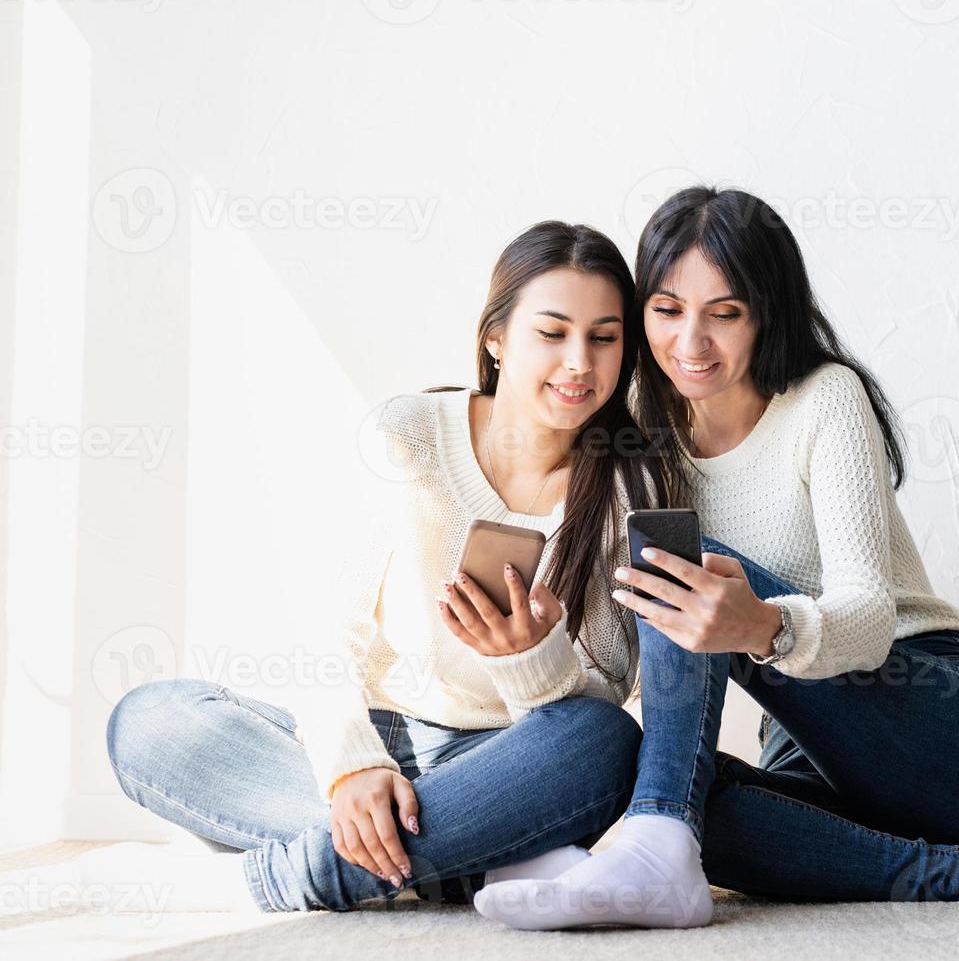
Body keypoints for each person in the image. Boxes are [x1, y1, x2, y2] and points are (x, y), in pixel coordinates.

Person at [474, 187, 959, 930]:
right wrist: (534, 653)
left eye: (724, 314)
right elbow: (613, 673)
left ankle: (658, 840)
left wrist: (761, 626)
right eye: (667, 311)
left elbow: (865, 614)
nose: (691, 343)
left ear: (766, 312)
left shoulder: (821, 400)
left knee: (688, 562)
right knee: (673, 796)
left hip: (936, 720)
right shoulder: (638, 440)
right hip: (807, 758)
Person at [3, 221, 667, 915]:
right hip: (385, 741)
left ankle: (292, 877)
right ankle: (476, 857)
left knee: (606, 742)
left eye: (603, 337)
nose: (579, 363)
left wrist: (529, 660)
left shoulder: (632, 487)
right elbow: (324, 628)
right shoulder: (405, 435)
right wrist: (351, 766)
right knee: (152, 718)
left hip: (511, 764)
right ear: (496, 339)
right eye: (552, 333)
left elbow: (607, 690)